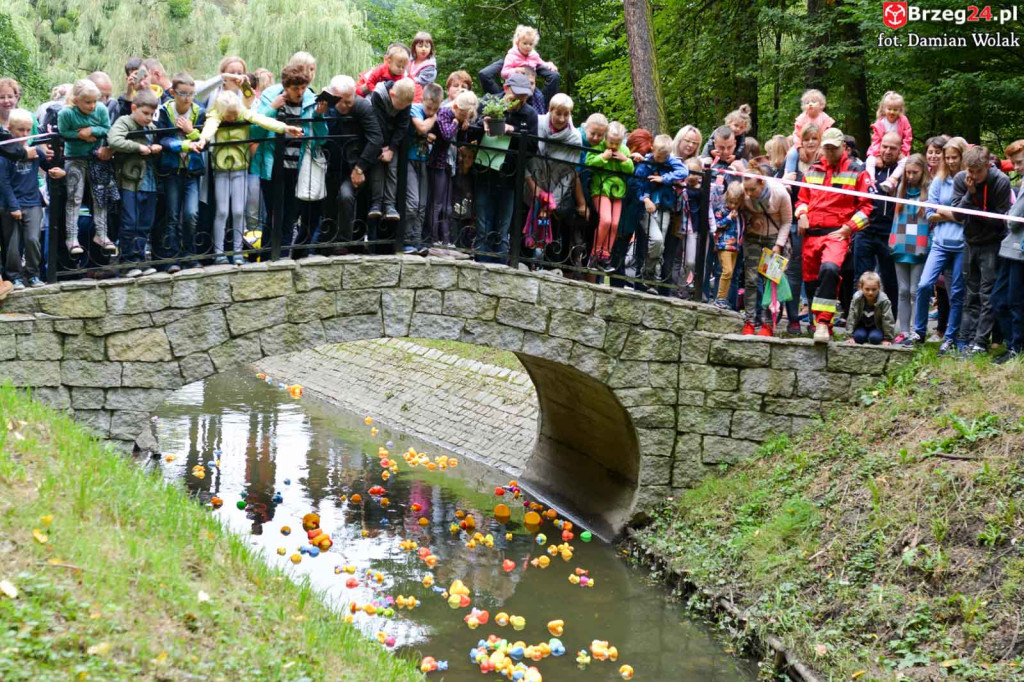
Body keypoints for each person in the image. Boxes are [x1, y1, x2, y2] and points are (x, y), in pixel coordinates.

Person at [195, 90, 303, 264]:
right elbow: (210, 127)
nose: (233, 118)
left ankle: (237, 252)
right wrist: (203, 139)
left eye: (235, 114)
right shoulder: (215, 115)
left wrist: (284, 128)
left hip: (240, 168)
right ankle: (219, 253)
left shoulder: (242, 113)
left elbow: (263, 120)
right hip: (221, 169)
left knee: (239, 211)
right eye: (229, 115)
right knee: (222, 211)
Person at [794, 127, 873, 344]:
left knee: (830, 270)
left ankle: (822, 322)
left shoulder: (857, 170)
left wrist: (849, 228)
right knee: (811, 282)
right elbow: (802, 199)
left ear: (843, 147)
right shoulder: (813, 169)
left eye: (833, 148)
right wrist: (801, 214)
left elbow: (867, 208)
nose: (829, 152)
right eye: (826, 148)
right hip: (811, 234)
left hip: (836, 234)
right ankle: (822, 324)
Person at [250, 64, 327, 258]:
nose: (300, 92)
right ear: (286, 87)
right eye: (295, 88)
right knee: (274, 215)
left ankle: (282, 257)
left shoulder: (310, 100)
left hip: (298, 168)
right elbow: (255, 132)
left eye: (303, 87)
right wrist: (272, 109)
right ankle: (267, 258)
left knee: (290, 217)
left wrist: (318, 116)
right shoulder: (270, 98)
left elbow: (322, 139)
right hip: (272, 168)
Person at [468, 72, 538, 262]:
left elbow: (533, 148)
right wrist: (482, 124)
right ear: (506, 88)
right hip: (484, 171)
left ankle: (501, 267)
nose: (519, 102)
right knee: (483, 223)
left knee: (503, 225)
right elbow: (468, 133)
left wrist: (514, 131)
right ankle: (481, 264)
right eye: (516, 97)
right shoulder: (488, 103)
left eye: (523, 98)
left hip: (510, 177)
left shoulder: (530, 114)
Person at [910, 137, 968, 352]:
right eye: (948, 158)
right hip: (940, 243)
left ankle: (951, 337)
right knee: (924, 284)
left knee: (957, 292)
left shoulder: (968, 180)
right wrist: (954, 214)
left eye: (955, 157)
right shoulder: (939, 180)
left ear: (962, 157)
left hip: (962, 244)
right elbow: (929, 214)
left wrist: (945, 212)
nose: (951, 161)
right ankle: (919, 331)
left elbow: (968, 216)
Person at [955, 145, 1012, 355]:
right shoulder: (962, 179)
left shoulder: (1001, 181)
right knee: (970, 293)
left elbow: (998, 222)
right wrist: (970, 195)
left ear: (988, 166)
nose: (973, 176)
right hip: (970, 241)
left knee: (987, 294)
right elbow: (957, 214)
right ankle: (967, 340)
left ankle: (981, 342)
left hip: (992, 243)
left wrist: (973, 209)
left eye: (978, 171)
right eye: (970, 170)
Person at [321, 75, 383, 247]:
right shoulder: (326, 107)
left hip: (354, 166)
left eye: (350, 101)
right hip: (329, 166)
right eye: (343, 102)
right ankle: (326, 244)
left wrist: (359, 168)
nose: (348, 105)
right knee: (327, 203)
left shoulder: (362, 106)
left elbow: (376, 138)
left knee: (346, 195)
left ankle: (345, 243)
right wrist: (320, 113)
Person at [58, 79, 116, 257]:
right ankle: (72, 238)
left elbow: (106, 128)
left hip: (96, 158)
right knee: (74, 198)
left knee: (100, 197)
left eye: (94, 101)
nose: (92, 106)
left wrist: (91, 131)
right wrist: (80, 135)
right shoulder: (66, 113)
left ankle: (102, 234)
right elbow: (63, 132)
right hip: (75, 159)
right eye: (87, 102)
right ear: (76, 100)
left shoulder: (101, 109)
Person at [107, 89, 162, 276]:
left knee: (145, 222)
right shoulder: (125, 122)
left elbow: (156, 144)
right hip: (129, 181)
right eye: (145, 113)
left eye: (152, 114)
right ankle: (127, 261)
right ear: (134, 108)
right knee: (129, 221)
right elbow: (114, 140)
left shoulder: (151, 128)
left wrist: (156, 149)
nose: (148, 118)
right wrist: (139, 147)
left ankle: (139, 259)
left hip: (149, 181)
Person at [157, 72, 205, 272]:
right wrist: (184, 145)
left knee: (191, 213)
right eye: (183, 93)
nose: (187, 98)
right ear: (173, 93)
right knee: (173, 215)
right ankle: (172, 258)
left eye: (191, 94)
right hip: (172, 171)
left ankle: (189, 254)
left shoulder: (199, 112)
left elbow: (204, 140)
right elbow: (162, 139)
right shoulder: (165, 111)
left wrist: (190, 130)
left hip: (192, 171)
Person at [853, 131, 902, 321]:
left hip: (890, 232)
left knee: (890, 280)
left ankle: (889, 321)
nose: (888, 151)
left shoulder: (903, 171)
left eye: (892, 148)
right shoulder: (868, 167)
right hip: (865, 230)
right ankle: (858, 321)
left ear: (900, 150)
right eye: (885, 146)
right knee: (861, 278)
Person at [740, 164, 793, 335]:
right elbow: (738, 211)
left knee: (771, 280)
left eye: (752, 189)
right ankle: (749, 321)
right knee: (751, 279)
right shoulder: (743, 193)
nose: (749, 194)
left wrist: (779, 244)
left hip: (774, 238)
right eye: (746, 189)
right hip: (753, 237)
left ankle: (768, 323)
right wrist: (750, 219)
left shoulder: (780, 193)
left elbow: (787, 221)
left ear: (762, 183)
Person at [0, 109, 48, 289]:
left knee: (33, 239)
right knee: (12, 244)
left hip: (33, 203)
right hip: (10, 205)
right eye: (20, 130)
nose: (25, 134)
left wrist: (56, 169)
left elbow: (49, 165)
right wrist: (13, 206)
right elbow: (3, 182)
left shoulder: (36, 151)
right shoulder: (4, 155)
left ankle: (33, 274)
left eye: (28, 130)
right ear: (10, 130)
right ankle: (15, 277)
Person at [888, 154, 931, 340]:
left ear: (923, 172)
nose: (911, 176)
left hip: (919, 244)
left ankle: (917, 330)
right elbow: (896, 218)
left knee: (915, 290)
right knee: (903, 290)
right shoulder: (902, 188)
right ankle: (904, 331)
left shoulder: (929, 190)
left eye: (915, 172)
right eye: (908, 172)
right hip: (901, 243)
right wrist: (892, 241)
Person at [635, 134, 688, 283]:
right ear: (653, 149)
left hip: (664, 206)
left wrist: (664, 178)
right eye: (659, 156)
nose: (661, 160)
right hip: (646, 208)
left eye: (665, 157)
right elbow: (637, 184)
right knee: (656, 240)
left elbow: (684, 171)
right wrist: (645, 199)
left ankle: (651, 274)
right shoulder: (645, 162)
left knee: (661, 243)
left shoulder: (669, 161)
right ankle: (648, 271)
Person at [429, 90, 477, 247]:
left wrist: (464, 129)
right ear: (456, 106)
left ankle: (446, 240)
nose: (463, 117)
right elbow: (446, 135)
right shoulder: (444, 113)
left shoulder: (458, 117)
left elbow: (459, 142)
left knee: (447, 206)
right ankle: (433, 238)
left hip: (451, 164)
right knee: (437, 203)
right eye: (463, 114)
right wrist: (456, 122)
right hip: (438, 162)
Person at [585, 121, 634, 270]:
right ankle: (594, 255)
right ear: (606, 137)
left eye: (617, 143)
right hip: (601, 189)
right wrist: (603, 157)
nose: (613, 146)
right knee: (606, 220)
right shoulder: (598, 147)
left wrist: (625, 160)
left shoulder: (624, 150)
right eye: (611, 142)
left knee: (614, 224)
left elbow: (630, 170)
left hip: (617, 191)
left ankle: (605, 256)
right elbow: (589, 163)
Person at [368, 78, 416, 223]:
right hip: (377, 139)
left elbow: (402, 126)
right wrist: (382, 147)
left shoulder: (405, 101)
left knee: (392, 170)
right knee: (377, 169)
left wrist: (391, 149)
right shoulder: (378, 95)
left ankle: (390, 205)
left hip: (393, 142)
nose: (400, 109)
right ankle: (376, 204)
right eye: (399, 106)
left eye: (404, 107)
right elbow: (377, 122)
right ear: (392, 94)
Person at [479, 25, 561, 105]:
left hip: (530, 89)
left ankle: (545, 108)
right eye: (525, 43)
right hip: (514, 88)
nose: (527, 46)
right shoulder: (511, 56)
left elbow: (542, 63)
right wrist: (515, 70)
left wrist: (550, 65)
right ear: (517, 43)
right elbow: (504, 73)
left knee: (540, 97)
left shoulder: (534, 56)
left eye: (530, 44)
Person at [405, 83, 443, 253]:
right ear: (422, 100)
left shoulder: (434, 112)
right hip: (409, 160)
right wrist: (434, 118)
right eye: (429, 108)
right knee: (412, 203)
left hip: (423, 162)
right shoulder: (415, 109)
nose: (431, 111)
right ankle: (406, 240)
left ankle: (417, 241)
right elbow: (421, 128)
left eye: (435, 109)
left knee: (422, 205)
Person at [996, 186, 1024, 363]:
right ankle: (1013, 344)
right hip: (1010, 249)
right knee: (998, 298)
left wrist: (1009, 214)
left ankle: (1016, 348)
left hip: (1019, 252)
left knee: (1015, 301)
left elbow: (1013, 221)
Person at [866, 91, 912, 191]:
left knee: (905, 161)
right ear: (884, 108)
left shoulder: (903, 121)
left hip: (897, 151)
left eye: (895, 110)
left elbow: (907, 138)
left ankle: (892, 179)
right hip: (880, 151)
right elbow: (876, 140)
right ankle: (870, 180)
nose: (892, 112)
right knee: (870, 160)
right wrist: (877, 155)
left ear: (900, 110)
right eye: (889, 109)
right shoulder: (880, 122)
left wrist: (903, 152)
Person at [784, 89, 834, 176]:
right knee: (792, 154)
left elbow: (828, 135)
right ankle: (788, 176)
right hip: (801, 144)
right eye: (807, 103)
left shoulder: (825, 118)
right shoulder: (801, 118)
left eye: (813, 101)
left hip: (821, 145)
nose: (810, 104)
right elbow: (796, 134)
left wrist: (822, 147)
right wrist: (800, 148)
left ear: (821, 104)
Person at [357, 44, 423, 102]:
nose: (400, 69)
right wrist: (369, 87)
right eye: (398, 64)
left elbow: (417, 99)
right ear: (387, 59)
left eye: (403, 66)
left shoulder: (408, 80)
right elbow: (355, 95)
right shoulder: (371, 74)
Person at [846, 271, 896, 345]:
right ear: (861, 287)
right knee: (859, 337)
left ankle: (873, 335)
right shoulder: (857, 299)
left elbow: (888, 319)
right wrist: (849, 336)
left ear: (879, 287)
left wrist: (887, 339)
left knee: (875, 339)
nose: (870, 292)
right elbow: (852, 317)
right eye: (867, 289)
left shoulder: (883, 301)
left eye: (874, 289)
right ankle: (864, 335)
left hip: (877, 327)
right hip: (861, 326)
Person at [107, 57, 150, 122]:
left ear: (150, 74)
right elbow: (126, 119)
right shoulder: (123, 99)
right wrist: (130, 91)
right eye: (137, 79)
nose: (142, 83)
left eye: (145, 76)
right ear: (128, 80)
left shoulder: (161, 96)